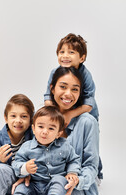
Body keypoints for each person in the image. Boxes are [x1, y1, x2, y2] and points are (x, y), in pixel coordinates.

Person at [2, 66, 110, 195]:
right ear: (52, 88)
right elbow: (27, 150)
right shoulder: (44, 117)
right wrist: (23, 172)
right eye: (63, 86)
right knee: (8, 183)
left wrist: (76, 180)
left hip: (74, 188)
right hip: (40, 183)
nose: (68, 93)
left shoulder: (87, 122)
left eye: (75, 89)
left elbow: (91, 166)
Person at [0, 106, 81, 195]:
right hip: (34, 186)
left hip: (53, 187)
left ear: (59, 133)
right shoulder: (27, 147)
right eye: (41, 127)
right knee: (21, 188)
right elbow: (17, 163)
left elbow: (74, 160)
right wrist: (25, 168)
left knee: (60, 180)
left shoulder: (64, 146)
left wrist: (72, 172)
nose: (45, 131)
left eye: (51, 128)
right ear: (33, 128)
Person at [44, 33, 103, 180]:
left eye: (71, 52)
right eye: (62, 52)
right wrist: (55, 113)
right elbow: (47, 97)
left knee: (89, 142)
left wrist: (70, 114)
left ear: (82, 58)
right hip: (63, 109)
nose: (65, 56)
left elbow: (89, 104)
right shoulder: (55, 73)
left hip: (85, 111)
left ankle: (95, 173)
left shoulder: (85, 75)